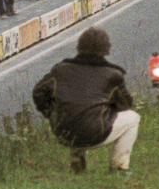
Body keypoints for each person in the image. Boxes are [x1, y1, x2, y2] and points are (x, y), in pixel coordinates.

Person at [31, 27, 139, 174]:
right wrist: (109, 108)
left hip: (63, 131)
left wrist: (50, 113)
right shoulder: (113, 74)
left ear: (79, 46)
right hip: (96, 132)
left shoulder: (60, 70)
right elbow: (126, 104)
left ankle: (77, 160)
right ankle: (119, 167)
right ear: (106, 48)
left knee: (74, 113)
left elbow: (38, 93)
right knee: (133, 118)